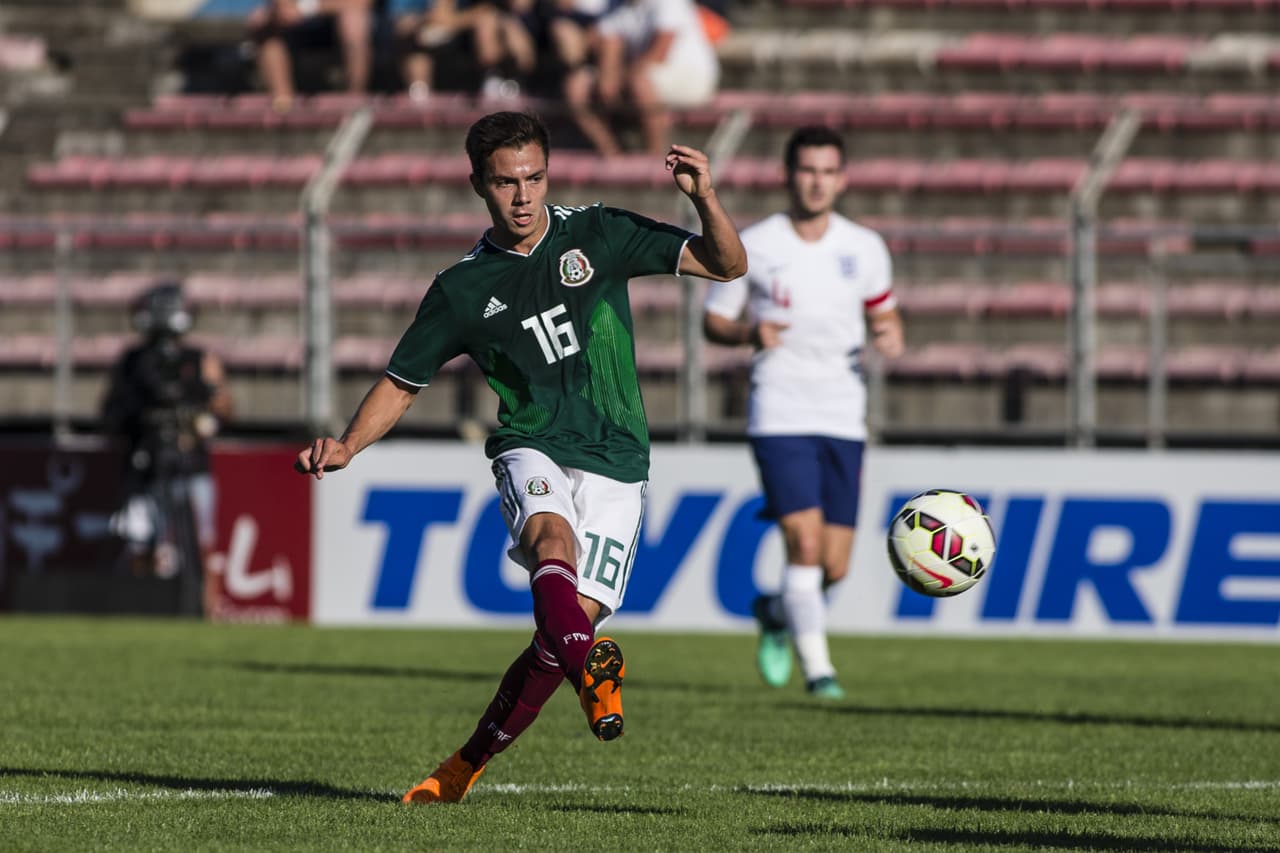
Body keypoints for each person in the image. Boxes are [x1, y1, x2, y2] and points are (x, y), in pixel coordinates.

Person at [295, 110, 745, 802]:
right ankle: (592, 678)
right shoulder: (462, 289)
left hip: (620, 456)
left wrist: (704, 198)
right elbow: (401, 382)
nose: (523, 195)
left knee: (562, 629)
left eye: (534, 177)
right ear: (479, 184)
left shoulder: (596, 232)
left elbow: (726, 264)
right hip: (530, 441)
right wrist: (349, 444)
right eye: (506, 182)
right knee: (549, 540)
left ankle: (467, 760)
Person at [702, 125, 904, 700]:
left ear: (842, 179)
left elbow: (884, 314)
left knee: (832, 567)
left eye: (827, 171)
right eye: (806, 170)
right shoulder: (757, 243)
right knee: (805, 546)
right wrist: (749, 332)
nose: (816, 182)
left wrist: (890, 335)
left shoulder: (864, 247)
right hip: (780, 406)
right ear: (788, 176)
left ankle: (773, 610)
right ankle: (820, 672)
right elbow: (713, 320)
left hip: (843, 411)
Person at [102, 282, 234, 617]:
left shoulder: (199, 359)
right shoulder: (133, 361)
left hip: (191, 464)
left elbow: (224, 409)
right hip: (144, 462)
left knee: (201, 547)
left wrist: (201, 411)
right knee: (139, 543)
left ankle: (205, 612)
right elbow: (113, 411)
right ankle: (138, 610)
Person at [568, 0, 718, 156]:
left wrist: (616, 77)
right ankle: (612, 156)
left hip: (690, 79)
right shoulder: (614, 6)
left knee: (638, 82)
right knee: (577, 85)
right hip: (646, 78)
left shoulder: (671, 3)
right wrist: (608, 77)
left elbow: (660, 52)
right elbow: (610, 49)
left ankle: (656, 157)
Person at [392, 0, 536, 102]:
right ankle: (420, 98)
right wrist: (467, 17)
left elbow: (513, 7)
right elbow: (438, 18)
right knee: (418, 47)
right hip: (426, 37)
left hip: (465, 35)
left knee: (490, 24)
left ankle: (497, 81)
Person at [247, 0, 376, 112]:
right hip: (297, 29)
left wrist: (307, 8)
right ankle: (284, 107)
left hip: (341, 28)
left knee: (354, 23)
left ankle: (354, 103)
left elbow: (361, 2)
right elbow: (284, 9)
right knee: (262, 22)